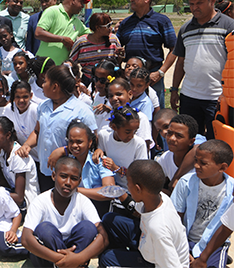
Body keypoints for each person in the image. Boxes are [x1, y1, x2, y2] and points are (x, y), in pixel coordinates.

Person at [17, 65, 97, 192]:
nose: (42, 85)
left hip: (68, 174)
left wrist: (65, 150)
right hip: (45, 170)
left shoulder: (82, 111)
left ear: (55, 87)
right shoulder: (43, 106)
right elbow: (38, 131)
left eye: (45, 82)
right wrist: (27, 145)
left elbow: (93, 143)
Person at [171, 0, 234, 139]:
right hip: (189, 96)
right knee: (189, 140)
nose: (194, 7)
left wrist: (225, 95)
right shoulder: (185, 29)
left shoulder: (228, 26)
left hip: (217, 98)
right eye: (192, 4)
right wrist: (174, 89)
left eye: (199, 3)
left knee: (217, 143)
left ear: (212, 1)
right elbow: (181, 62)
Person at [99, 160, 189, 268]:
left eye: (128, 183)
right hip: (147, 243)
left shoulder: (158, 228)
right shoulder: (158, 197)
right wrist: (120, 194)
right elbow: (136, 210)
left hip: (155, 261)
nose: (127, 186)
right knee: (110, 219)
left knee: (107, 258)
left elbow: (172, 265)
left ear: (138, 189)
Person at [22, 157, 109, 268]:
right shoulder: (40, 201)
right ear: (53, 176)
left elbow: (104, 237)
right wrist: (63, 260)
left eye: (74, 178)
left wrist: (78, 258)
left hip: (76, 254)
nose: (68, 182)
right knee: (45, 229)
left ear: (79, 181)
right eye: (63, 176)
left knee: (88, 227)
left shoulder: (82, 201)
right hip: (50, 258)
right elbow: (25, 238)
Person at [171, 139, 234, 268]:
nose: (196, 166)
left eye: (203, 163)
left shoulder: (232, 190)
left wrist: (203, 258)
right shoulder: (186, 183)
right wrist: (182, 248)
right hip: (185, 240)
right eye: (195, 160)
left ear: (222, 167)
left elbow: (225, 229)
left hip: (216, 244)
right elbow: (175, 218)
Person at [117, 0, 177, 108]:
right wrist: (120, 67)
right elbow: (116, 48)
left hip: (153, 76)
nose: (131, 0)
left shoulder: (161, 21)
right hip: (130, 78)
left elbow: (174, 49)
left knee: (156, 112)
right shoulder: (125, 23)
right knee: (129, 112)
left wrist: (160, 72)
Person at [0, 116, 39, 208]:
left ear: (8, 135)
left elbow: (19, 198)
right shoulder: (3, 153)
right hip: (12, 197)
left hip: (26, 204)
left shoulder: (18, 156)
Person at [35, 0, 91, 65]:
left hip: (62, 69)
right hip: (44, 66)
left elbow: (91, 35)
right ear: (73, 0)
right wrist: (62, 39)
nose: (82, 6)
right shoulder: (52, 11)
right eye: (81, 2)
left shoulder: (77, 21)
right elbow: (38, 33)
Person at [97, 105, 148, 189]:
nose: (131, 136)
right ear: (114, 127)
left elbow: (140, 175)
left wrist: (117, 168)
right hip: (110, 187)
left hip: (131, 191)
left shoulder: (139, 144)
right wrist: (98, 151)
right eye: (128, 132)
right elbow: (100, 155)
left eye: (135, 131)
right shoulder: (104, 136)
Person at [70, 13, 123, 85]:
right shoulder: (82, 42)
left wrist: (121, 56)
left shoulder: (113, 39)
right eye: (108, 26)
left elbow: (117, 62)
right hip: (88, 81)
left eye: (111, 24)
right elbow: (71, 64)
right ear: (97, 28)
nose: (111, 28)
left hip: (109, 81)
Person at [156, 114, 198, 190]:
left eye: (179, 136)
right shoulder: (165, 158)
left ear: (191, 141)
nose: (172, 138)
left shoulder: (199, 165)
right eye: (169, 133)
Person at [4, 80, 39, 163]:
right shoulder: (9, 109)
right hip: (24, 157)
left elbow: (39, 132)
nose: (21, 101)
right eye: (18, 97)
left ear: (31, 95)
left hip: (39, 157)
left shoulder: (36, 110)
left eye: (25, 97)